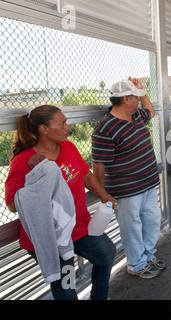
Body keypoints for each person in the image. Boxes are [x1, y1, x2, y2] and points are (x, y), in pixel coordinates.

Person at [5, 105, 116, 300]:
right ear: (44, 129)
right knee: (66, 285)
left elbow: (86, 175)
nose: (67, 127)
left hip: (78, 226)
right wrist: (41, 184)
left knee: (106, 254)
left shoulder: (69, 147)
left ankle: (99, 297)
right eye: (62, 123)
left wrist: (102, 194)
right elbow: (13, 205)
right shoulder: (24, 161)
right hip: (51, 237)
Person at [91, 78, 165, 280]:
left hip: (148, 183)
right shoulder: (105, 128)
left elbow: (151, 110)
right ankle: (136, 263)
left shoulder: (138, 115)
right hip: (126, 190)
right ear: (126, 99)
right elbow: (99, 165)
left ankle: (148, 256)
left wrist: (142, 92)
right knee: (131, 227)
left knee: (152, 220)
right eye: (136, 97)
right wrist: (104, 193)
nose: (140, 101)